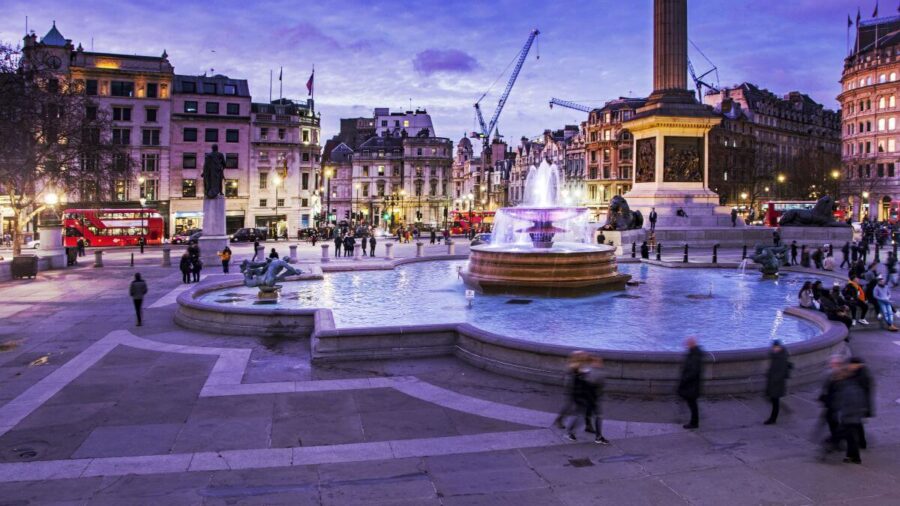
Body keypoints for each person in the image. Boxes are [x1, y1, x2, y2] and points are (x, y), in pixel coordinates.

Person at [677, 337, 703, 429]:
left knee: (692, 403)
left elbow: (693, 371)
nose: (686, 345)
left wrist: (685, 379)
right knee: (692, 403)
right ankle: (693, 422)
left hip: (691, 384)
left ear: (691, 344)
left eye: (688, 343)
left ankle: (694, 423)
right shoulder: (694, 353)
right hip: (691, 384)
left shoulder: (694, 355)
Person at [764, 340, 791, 425]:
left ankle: (773, 419)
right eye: (773, 347)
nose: (774, 349)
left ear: (779, 347)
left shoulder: (781, 358)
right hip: (774, 382)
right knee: (773, 399)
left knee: (775, 400)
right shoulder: (776, 356)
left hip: (777, 383)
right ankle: (782, 410)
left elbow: (781, 371)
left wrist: (774, 380)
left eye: (775, 347)